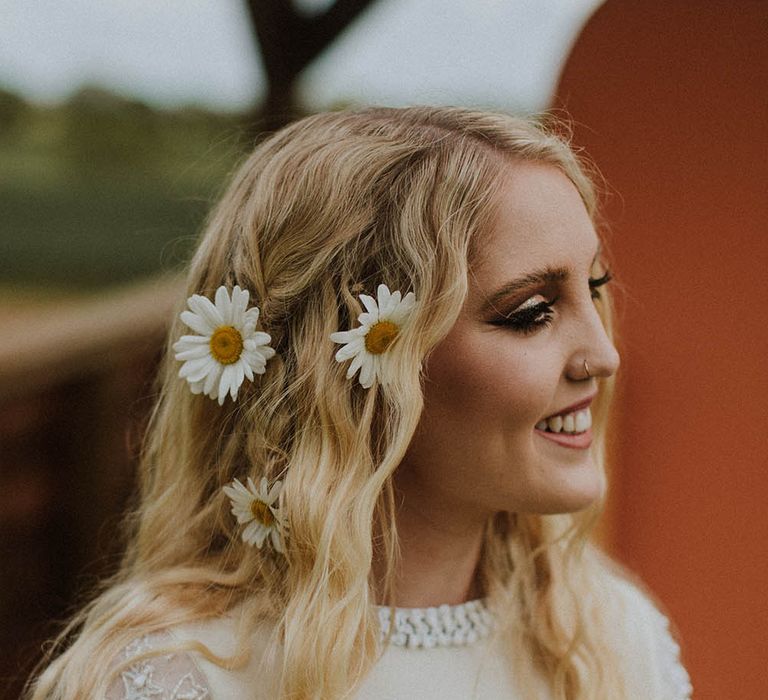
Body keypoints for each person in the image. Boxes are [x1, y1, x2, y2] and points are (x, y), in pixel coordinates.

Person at [26, 106, 692, 699]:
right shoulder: (183, 678)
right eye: (531, 313)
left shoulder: (610, 641)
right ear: (358, 363)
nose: (603, 355)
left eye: (593, 288)